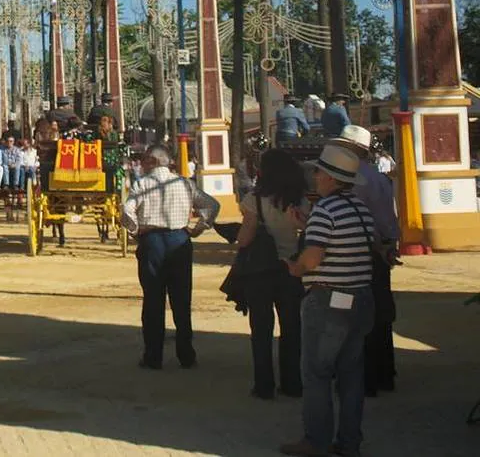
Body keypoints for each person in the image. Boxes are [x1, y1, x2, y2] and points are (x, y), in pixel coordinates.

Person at [280, 134, 376, 457]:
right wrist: (310, 224)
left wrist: (295, 267)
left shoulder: (325, 211)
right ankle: (349, 443)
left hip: (329, 301)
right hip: (360, 298)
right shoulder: (359, 209)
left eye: (319, 173)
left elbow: (312, 260)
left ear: (331, 178)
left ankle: (316, 440)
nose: (315, 177)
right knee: (351, 375)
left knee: (317, 373)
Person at [122, 143, 220, 370]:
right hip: (179, 240)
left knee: (153, 301)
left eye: (146, 160)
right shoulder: (184, 183)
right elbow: (212, 205)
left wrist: (136, 230)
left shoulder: (142, 184)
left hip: (153, 241)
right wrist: (198, 228)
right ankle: (186, 355)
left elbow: (127, 211)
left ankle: (153, 356)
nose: (144, 164)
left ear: (154, 162)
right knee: (182, 301)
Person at [236, 149, 309, 400]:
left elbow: (245, 239)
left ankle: (264, 384)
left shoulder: (254, 200)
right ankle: (292, 382)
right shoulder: (299, 200)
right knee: (292, 328)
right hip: (291, 269)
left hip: (261, 271)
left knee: (261, 329)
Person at [348, 127, 400, 397]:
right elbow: (388, 219)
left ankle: (366, 377)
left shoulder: (352, 179)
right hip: (380, 251)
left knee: (359, 316)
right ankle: (384, 373)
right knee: (381, 313)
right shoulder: (378, 179)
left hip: (358, 253)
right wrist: (391, 245)